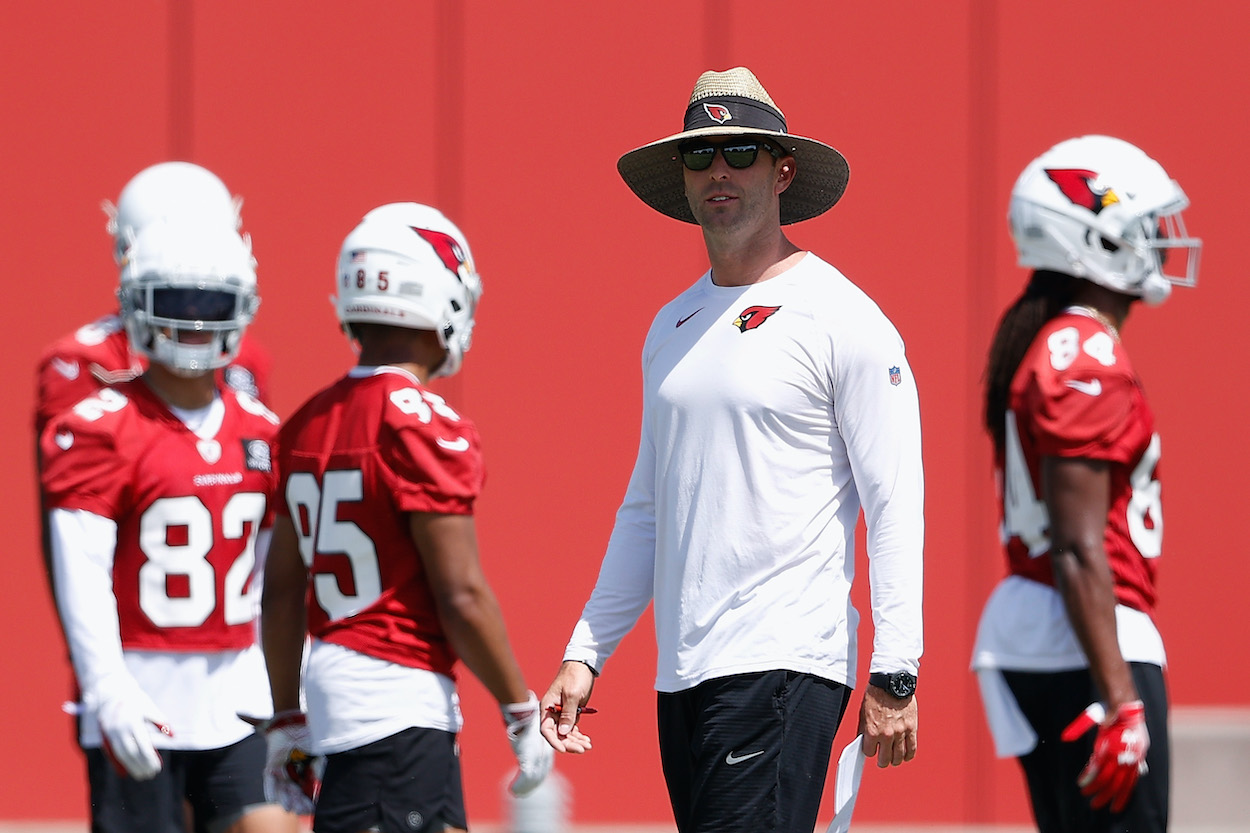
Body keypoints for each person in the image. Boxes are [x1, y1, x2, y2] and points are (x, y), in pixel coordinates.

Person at [539, 66, 925, 833]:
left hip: (785, 660)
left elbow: (894, 499)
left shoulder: (843, 317)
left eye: (740, 150)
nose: (719, 170)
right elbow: (647, 507)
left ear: (782, 170)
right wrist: (586, 651)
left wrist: (897, 668)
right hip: (683, 673)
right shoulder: (670, 326)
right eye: (700, 154)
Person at [258, 203, 553, 833]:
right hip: (395, 698)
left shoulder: (305, 423)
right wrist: (518, 708)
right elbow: (462, 595)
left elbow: (281, 594)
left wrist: (287, 719)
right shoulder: (421, 423)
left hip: (338, 686)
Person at [972, 134, 1201, 833]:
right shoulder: (1087, 352)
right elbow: (1077, 546)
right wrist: (1122, 699)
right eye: (1142, 225)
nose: (1161, 241)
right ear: (1092, 237)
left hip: (1050, 628)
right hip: (1084, 636)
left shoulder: (1061, 341)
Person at [39, 217, 295, 833]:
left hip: (238, 689)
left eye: (214, 306)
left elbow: (277, 582)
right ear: (136, 308)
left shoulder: (263, 431)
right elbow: (83, 573)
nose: (197, 324)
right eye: (176, 306)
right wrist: (106, 687)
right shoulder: (99, 427)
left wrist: (291, 686)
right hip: (140, 684)